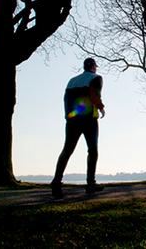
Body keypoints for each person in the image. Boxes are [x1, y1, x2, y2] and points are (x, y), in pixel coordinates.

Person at [51, 57, 105, 199]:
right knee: (92, 150)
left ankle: (56, 182)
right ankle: (90, 184)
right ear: (93, 66)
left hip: (73, 120)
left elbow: (66, 99)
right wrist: (101, 107)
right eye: (95, 66)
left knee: (67, 150)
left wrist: (69, 116)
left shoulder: (72, 81)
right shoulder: (96, 78)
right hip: (89, 119)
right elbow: (94, 95)